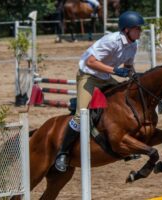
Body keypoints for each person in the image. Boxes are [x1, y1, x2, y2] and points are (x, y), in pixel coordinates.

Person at [55, 10, 145, 172]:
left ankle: (123, 145)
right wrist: (115, 71)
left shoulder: (133, 45)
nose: (140, 31)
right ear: (126, 30)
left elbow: (129, 67)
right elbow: (90, 62)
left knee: (122, 102)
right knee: (80, 115)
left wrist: (134, 77)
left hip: (104, 77)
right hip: (88, 76)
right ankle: (62, 153)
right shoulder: (111, 41)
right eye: (137, 28)